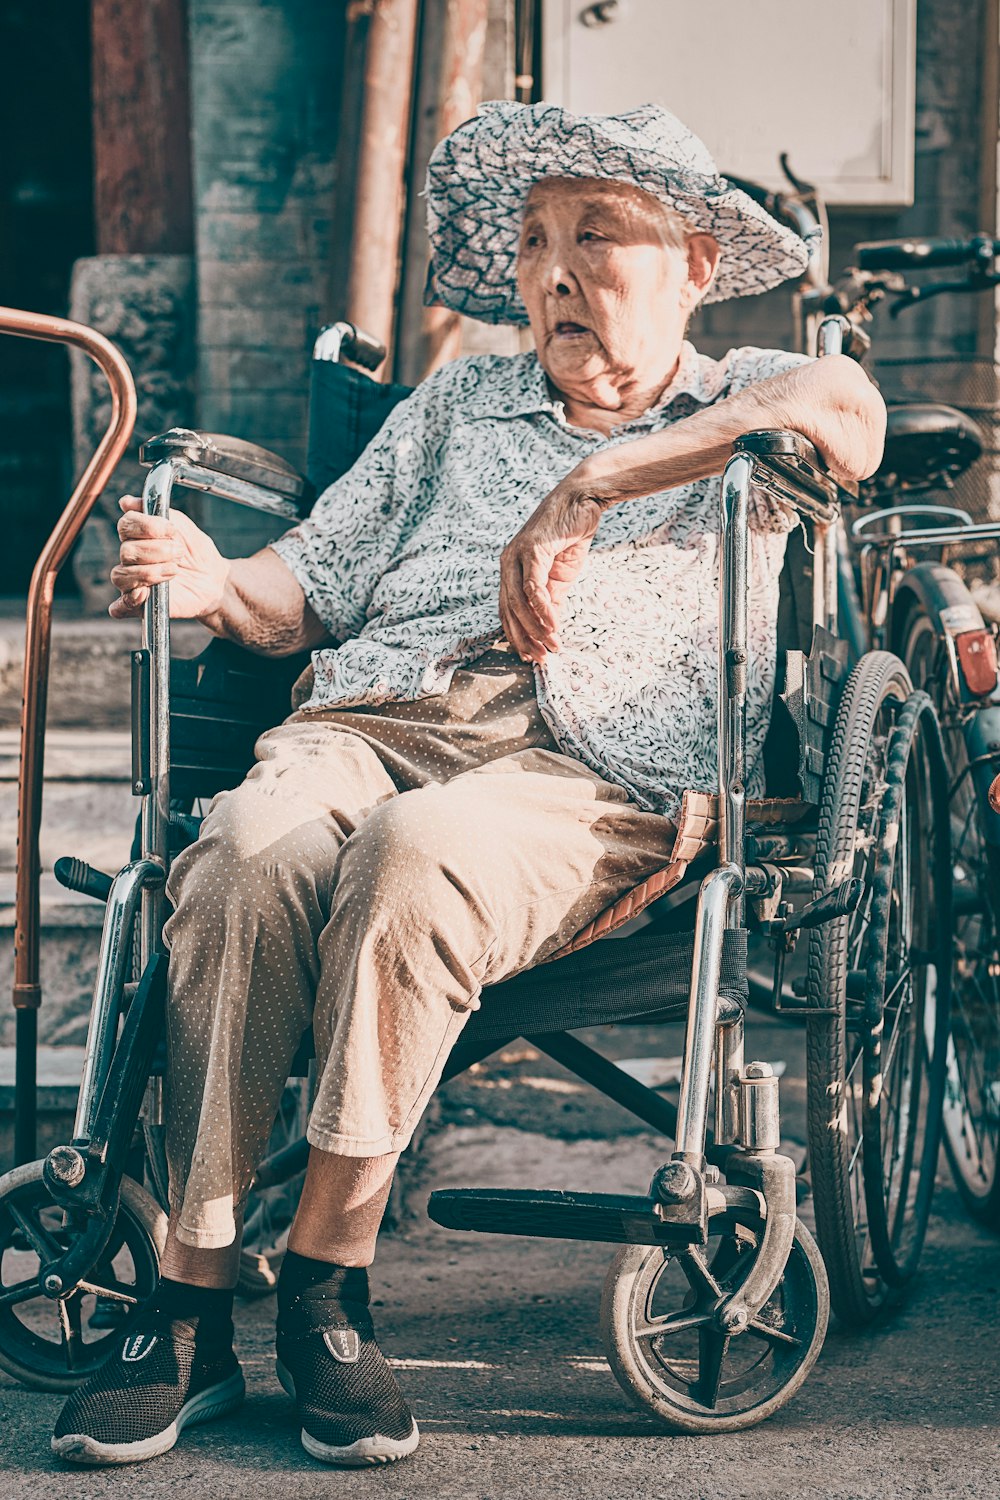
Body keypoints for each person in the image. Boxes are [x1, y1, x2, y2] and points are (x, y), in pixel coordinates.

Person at [52, 101, 885, 1469]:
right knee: (245, 852)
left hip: (597, 768)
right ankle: (190, 1302)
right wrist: (215, 582)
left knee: (418, 855)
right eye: (536, 241)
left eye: (596, 236)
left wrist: (600, 480)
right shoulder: (453, 405)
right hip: (372, 722)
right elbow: (302, 588)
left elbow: (850, 409)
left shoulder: (739, 401)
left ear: (689, 262)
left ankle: (327, 1282)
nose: (554, 272)